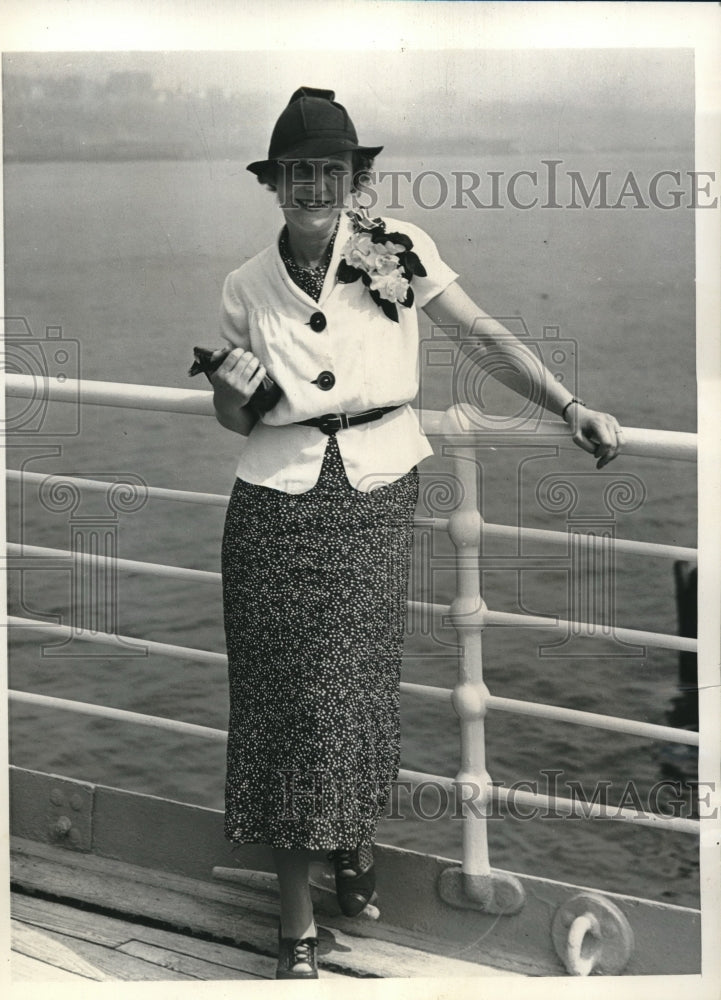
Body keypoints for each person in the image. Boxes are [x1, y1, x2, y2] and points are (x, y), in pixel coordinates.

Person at [208, 87, 623, 980]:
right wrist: (232, 385)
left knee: (352, 691)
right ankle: (294, 929)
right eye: (295, 172)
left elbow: (477, 333)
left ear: (355, 180)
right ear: (274, 183)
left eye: (329, 169)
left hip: (373, 491)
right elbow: (236, 419)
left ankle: (352, 845)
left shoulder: (395, 252)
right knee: (285, 706)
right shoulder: (244, 285)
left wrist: (568, 403)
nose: (312, 185)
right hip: (272, 504)